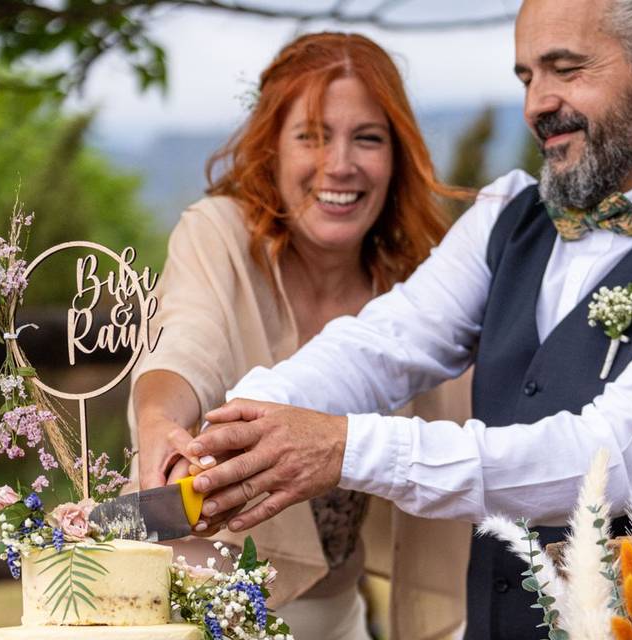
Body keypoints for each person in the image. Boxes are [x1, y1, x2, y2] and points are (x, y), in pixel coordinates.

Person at [181, 0, 632, 637]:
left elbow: (603, 463)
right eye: (526, 77)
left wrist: (345, 448)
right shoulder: (508, 212)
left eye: (565, 69)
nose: (537, 104)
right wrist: (242, 424)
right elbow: (385, 342)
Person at [128, 32, 472, 640]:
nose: (339, 165)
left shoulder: (417, 282)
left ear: (397, 156)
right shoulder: (220, 237)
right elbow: (186, 340)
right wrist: (158, 420)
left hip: (341, 620)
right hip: (200, 614)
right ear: (272, 149)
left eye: (367, 137)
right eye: (311, 136)